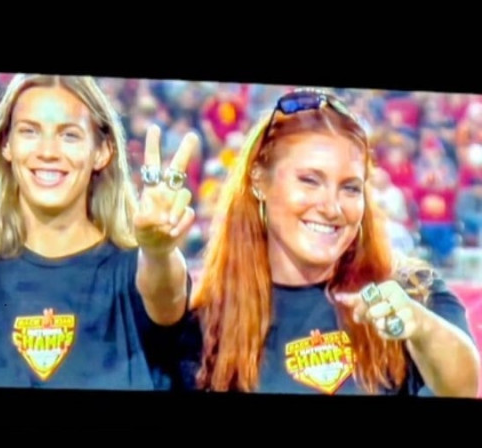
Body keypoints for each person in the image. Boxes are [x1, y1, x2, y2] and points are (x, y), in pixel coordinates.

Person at [0, 74, 202, 390]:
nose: (48, 151)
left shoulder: (140, 270)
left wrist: (158, 252)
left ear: (102, 151)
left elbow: (167, 297)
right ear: (6, 144)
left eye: (69, 135)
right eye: (30, 131)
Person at [193, 88, 480, 397]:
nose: (332, 207)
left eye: (350, 188)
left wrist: (421, 327)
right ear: (259, 179)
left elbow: (463, 387)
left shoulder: (412, 289)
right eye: (310, 180)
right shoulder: (211, 317)